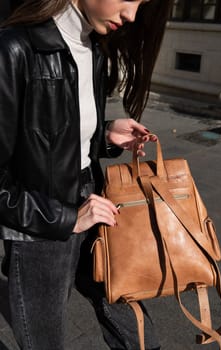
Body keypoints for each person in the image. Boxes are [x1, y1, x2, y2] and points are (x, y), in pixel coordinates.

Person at [0, 1, 173, 349]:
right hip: (41, 231)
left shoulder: (92, 48)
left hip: (93, 200)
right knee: (45, 340)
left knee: (131, 319)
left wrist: (105, 134)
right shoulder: (13, 49)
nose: (131, 15)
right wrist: (66, 218)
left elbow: (50, 134)